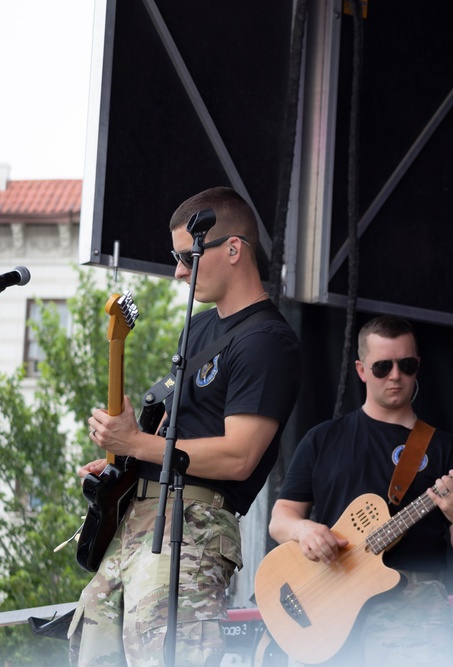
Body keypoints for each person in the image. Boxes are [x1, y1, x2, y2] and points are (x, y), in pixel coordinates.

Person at [68, 186, 302, 666]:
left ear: (233, 250)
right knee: (92, 643)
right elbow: (177, 434)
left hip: (195, 526)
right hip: (140, 519)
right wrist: (127, 458)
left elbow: (239, 456)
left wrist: (135, 442)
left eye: (186, 257)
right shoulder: (198, 328)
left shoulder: (267, 341)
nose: (178, 271)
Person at [268, 315, 453, 666]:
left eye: (407, 365)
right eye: (383, 366)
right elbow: (281, 519)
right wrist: (304, 529)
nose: (396, 375)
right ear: (361, 369)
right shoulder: (323, 439)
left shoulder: (446, 450)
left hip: (413, 605)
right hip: (327, 599)